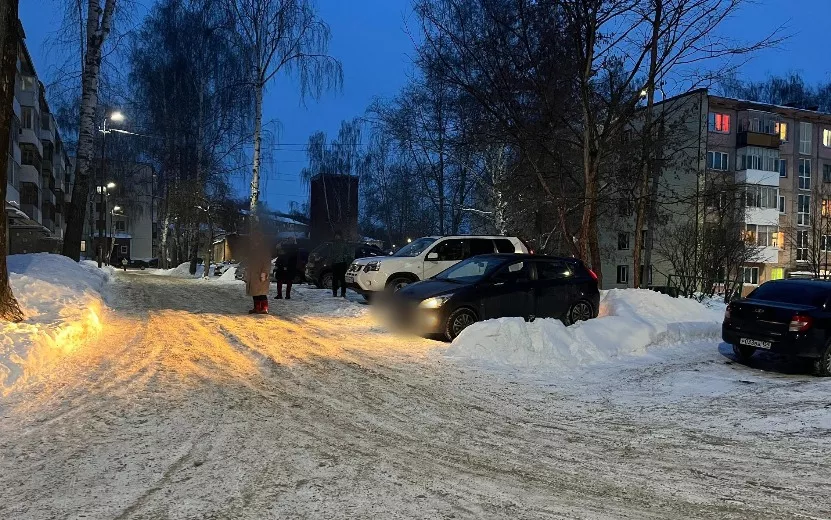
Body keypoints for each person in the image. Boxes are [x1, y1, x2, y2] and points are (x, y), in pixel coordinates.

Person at [245, 232, 272, 314]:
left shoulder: (264, 250)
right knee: (255, 292)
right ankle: (256, 308)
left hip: (260, 275)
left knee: (261, 292)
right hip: (253, 275)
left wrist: (264, 273)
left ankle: (264, 308)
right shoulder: (253, 250)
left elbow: (267, 263)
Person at [330, 231, 353, 298]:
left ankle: (343, 293)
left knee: (342, 279)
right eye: (336, 235)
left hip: (342, 263)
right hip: (335, 264)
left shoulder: (344, 244)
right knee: (335, 279)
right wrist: (332, 260)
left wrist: (344, 258)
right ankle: (334, 293)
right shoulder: (333, 244)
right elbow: (331, 253)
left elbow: (348, 253)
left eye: (338, 235)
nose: (337, 237)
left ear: (340, 236)